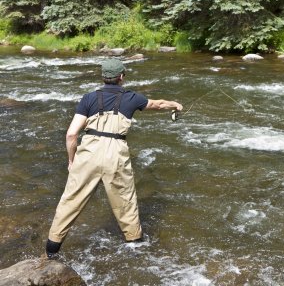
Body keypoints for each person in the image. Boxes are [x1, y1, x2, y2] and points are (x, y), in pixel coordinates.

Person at [45, 58, 182, 258]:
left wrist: (71, 160)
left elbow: (71, 134)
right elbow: (158, 104)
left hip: (88, 152)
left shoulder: (89, 98)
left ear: (103, 77)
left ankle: (51, 250)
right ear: (121, 77)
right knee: (125, 200)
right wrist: (175, 105)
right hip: (116, 152)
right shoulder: (132, 97)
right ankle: (135, 246)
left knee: (71, 200)